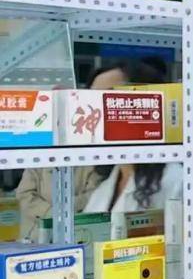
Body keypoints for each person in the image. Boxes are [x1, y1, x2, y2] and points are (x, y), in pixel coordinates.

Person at [16, 60, 177, 238]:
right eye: (91, 101)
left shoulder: (176, 182)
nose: (96, 113)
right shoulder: (108, 184)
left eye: (107, 100)